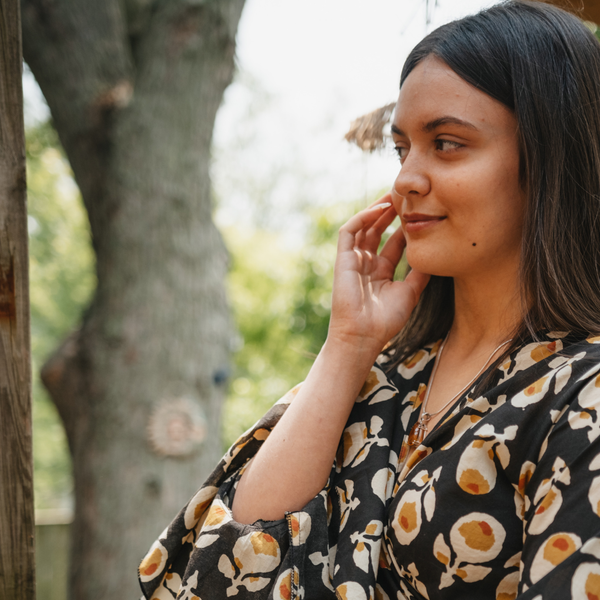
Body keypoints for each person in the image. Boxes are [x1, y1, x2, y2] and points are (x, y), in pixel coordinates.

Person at [138, 2, 600, 598]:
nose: (407, 178)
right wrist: (346, 347)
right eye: (402, 148)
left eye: (449, 143)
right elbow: (212, 581)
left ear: (549, 157)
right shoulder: (386, 375)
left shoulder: (582, 393)